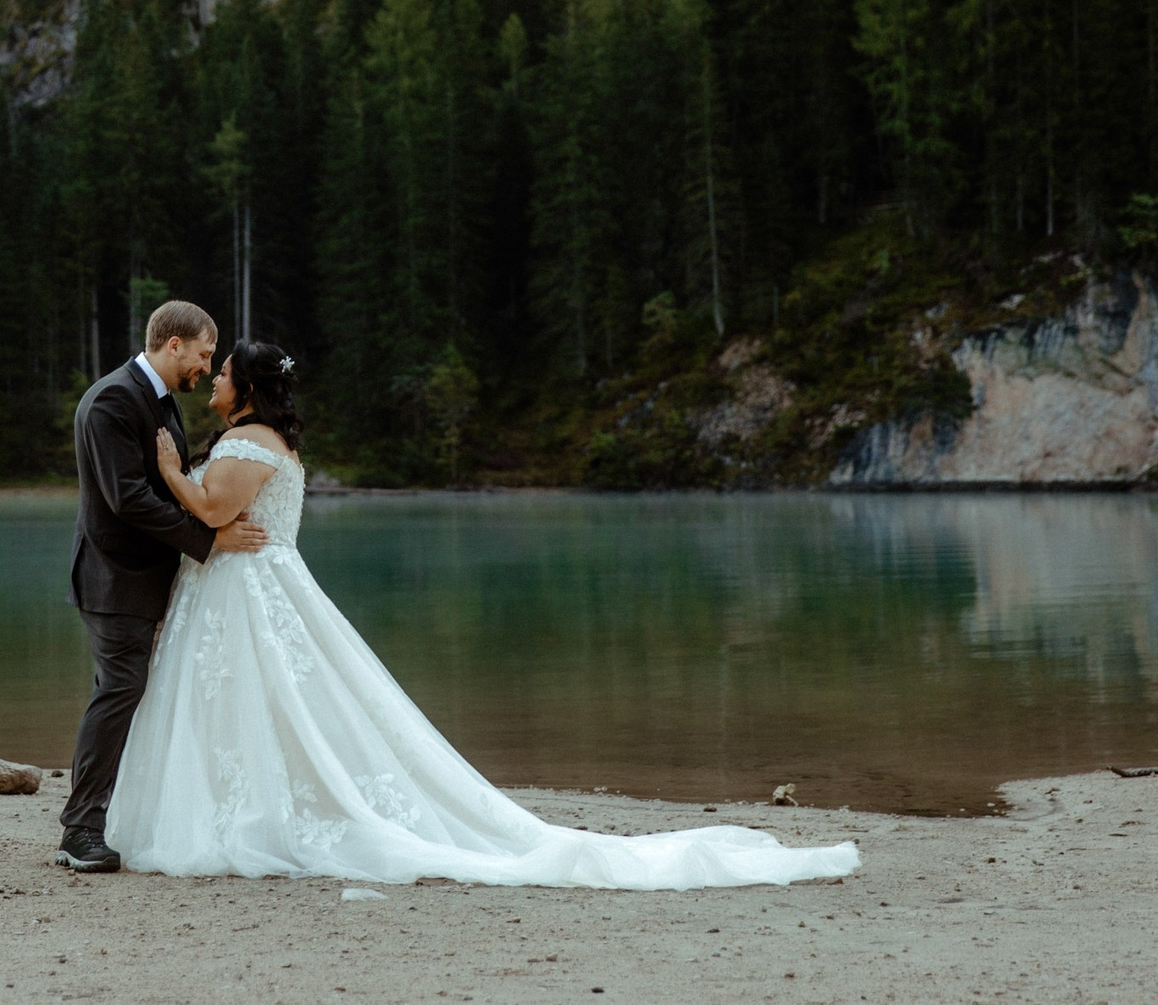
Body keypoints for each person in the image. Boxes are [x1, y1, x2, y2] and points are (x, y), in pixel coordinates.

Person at [106, 338, 861, 890]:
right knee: (273, 709)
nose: (212, 384)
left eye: (222, 374)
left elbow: (210, 505)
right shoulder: (267, 439)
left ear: (246, 389)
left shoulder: (246, 439)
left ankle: (245, 819)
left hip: (249, 591)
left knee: (269, 706)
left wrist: (171, 468)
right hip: (246, 586)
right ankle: (246, 810)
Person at [56, 299, 268, 873]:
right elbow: (128, 499)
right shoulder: (112, 400)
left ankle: (103, 817)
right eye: (203, 354)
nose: (205, 367)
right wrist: (209, 541)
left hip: (141, 579)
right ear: (173, 344)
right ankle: (80, 831)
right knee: (120, 688)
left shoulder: (157, 400)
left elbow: (164, 482)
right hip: (114, 577)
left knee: (122, 689)